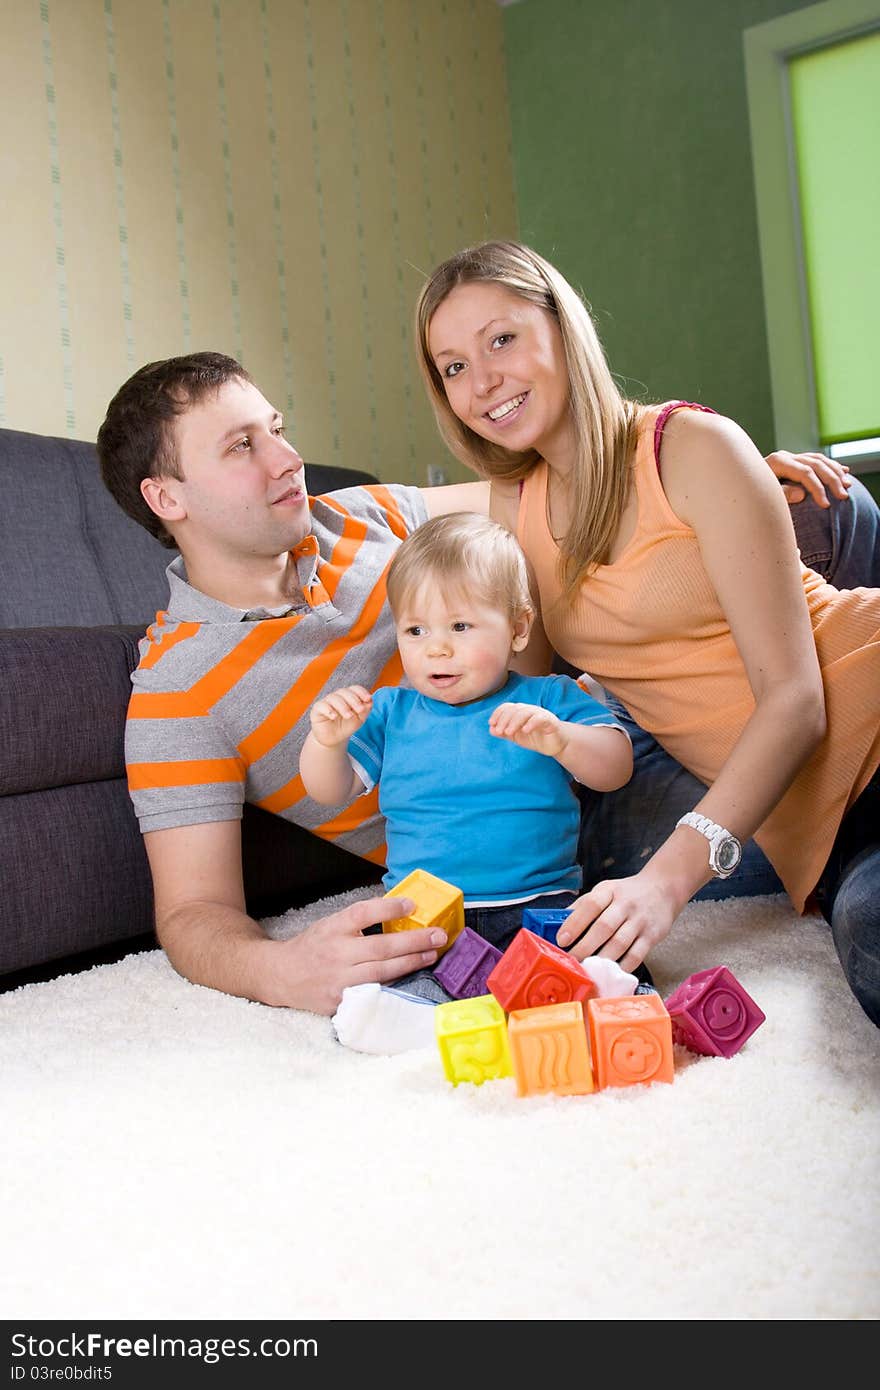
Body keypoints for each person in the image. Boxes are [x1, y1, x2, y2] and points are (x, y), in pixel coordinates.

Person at [96, 350, 875, 1021]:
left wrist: (721, 477)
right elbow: (194, 914)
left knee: (838, 513)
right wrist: (278, 970)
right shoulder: (178, 691)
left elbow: (557, 488)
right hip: (535, 845)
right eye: (242, 445)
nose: (286, 456)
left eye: (278, 428)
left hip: (583, 722)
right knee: (814, 796)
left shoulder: (361, 516)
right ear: (168, 497)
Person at [414, 239, 880, 1027]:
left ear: (564, 331)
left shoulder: (691, 447)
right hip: (825, 837)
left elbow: (795, 699)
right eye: (453, 366)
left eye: (502, 339)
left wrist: (665, 881)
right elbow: (527, 696)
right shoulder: (508, 511)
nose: (482, 379)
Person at [300, 511, 633, 978]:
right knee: (374, 981)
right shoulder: (390, 711)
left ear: (518, 629)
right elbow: (327, 790)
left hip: (538, 905)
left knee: (602, 966)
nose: (436, 649)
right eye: (416, 631)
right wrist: (327, 742)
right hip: (419, 914)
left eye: (459, 627)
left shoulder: (548, 698)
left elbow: (616, 767)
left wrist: (561, 739)